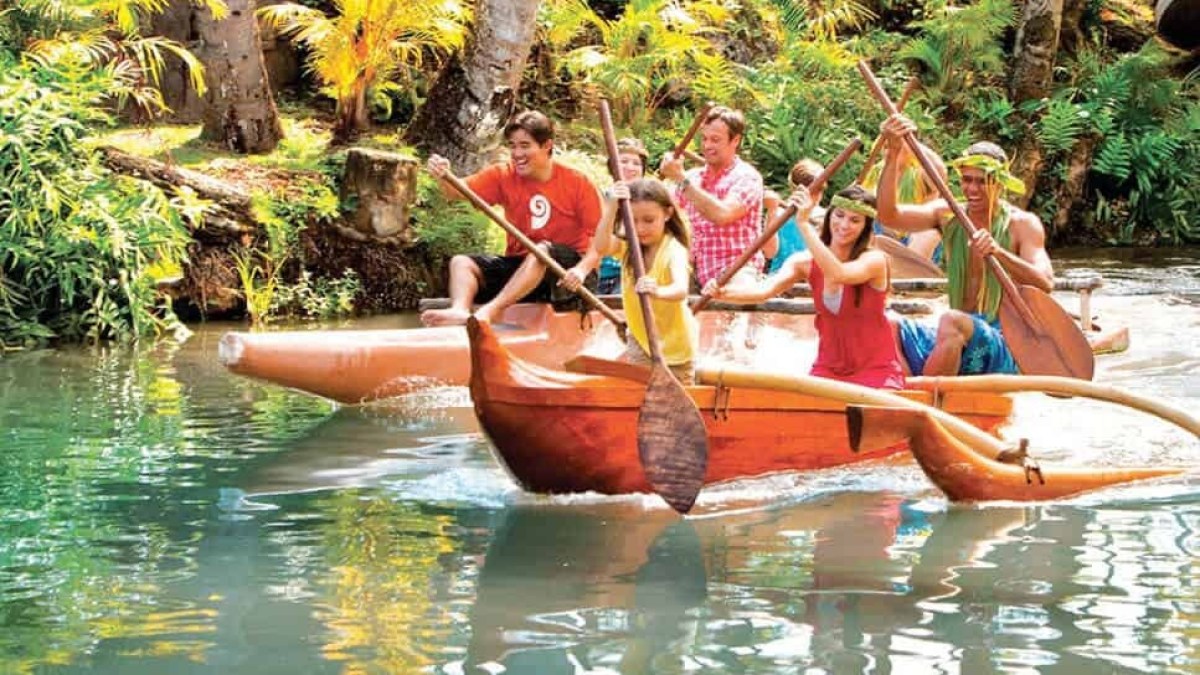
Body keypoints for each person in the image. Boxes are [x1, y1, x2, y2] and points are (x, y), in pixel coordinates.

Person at [878, 114, 1054, 376]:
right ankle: (908, 397)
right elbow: (888, 215)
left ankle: (933, 399)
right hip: (958, 330)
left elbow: (1045, 283)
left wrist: (998, 252)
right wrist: (893, 153)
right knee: (886, 324)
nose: (972, 188)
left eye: (981, 181)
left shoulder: (1022, 225)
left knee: (951, 322)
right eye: (967, 180)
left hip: (1005, 340)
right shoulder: (948, 215)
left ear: (1000, 183)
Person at [704, 185, 906, 389]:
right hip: (828, 369)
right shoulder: (804, 262)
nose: (844, 225)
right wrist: (722, 293)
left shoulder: (875, 260)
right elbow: (763, 291)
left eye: (855, 220)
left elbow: (839, 274)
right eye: (839, 215)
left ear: (865, 227)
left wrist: (803, 224)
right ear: (829, 216)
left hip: (876, 371)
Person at [421, 110, 602, 326]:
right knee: (462, 262)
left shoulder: (577, 183)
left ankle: (490, 312)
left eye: (525, 145)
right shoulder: (503, 175)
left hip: (569, 276)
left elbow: (599, 243)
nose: (516, 153)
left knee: (541, 251)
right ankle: (460, 310)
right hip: (524, 271)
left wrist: (581, 270)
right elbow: (456, 191)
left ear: (546, 146)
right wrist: (444, 175)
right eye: (512, 146)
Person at [592, 178, 698, 384]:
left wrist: (657, 290)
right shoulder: (629, 244)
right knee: (639, 397)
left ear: (667, 214)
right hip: (640, 339)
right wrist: (612, 207)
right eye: (633, 221)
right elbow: (601, 246)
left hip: (676, 348)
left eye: (649, 220)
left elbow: (680, 289)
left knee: (675, 403)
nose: (640, 229)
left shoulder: (673, 249)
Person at [658, 106, 764, 292]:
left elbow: (722, 214)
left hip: (736, 271)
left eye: (715, 140)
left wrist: (681, 179)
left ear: (735, 140)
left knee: (741, 292)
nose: (707, 146)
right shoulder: (693, 177)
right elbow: (667, 215)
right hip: (693, 271)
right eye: (704, 139)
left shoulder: (747, 177)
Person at [596, 137, 649, 295]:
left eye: (636, 163)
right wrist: (612, 206)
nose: (630, 168)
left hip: (632, 275)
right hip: (599, 272)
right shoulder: (599, 198)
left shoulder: (649, 203)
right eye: (624, 161)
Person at [764, 158, 827, 274]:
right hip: (780, 281)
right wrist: (771, 211)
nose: (817, 195)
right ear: (796, 189)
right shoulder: (779, 214)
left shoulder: (825, 218)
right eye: (813, 191)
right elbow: (769, 253)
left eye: (820, 190)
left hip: (812, 281)